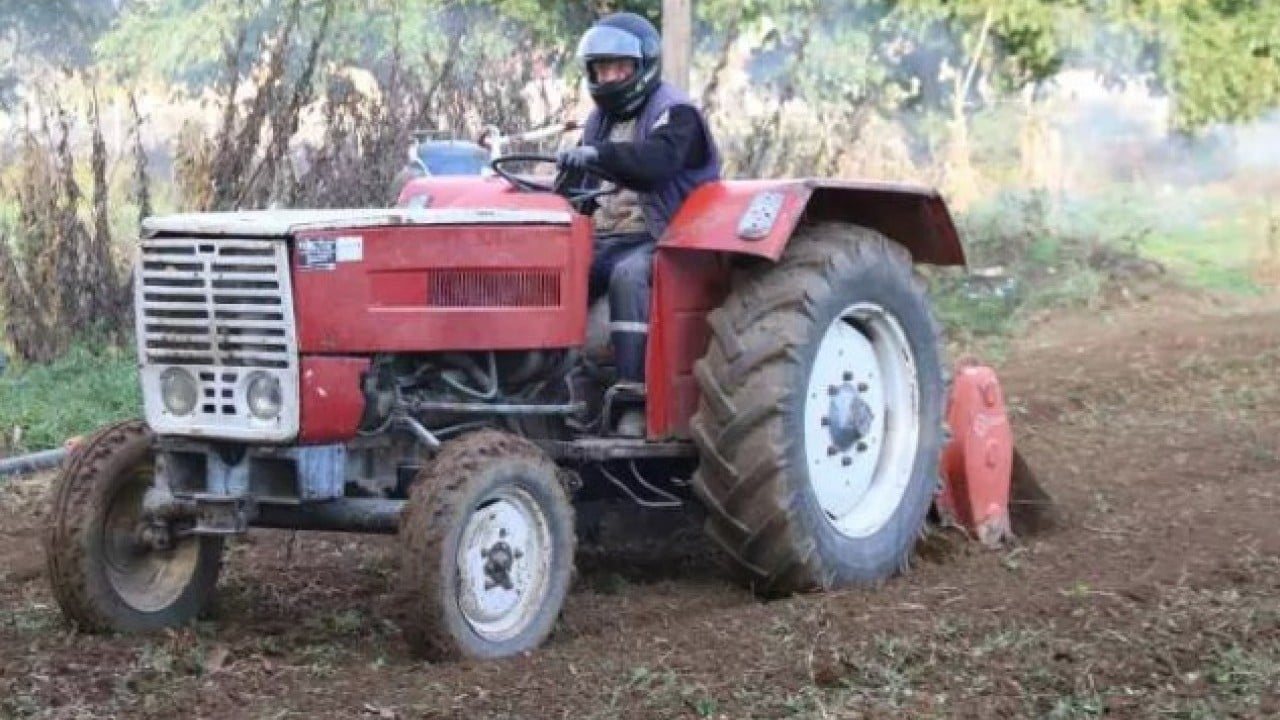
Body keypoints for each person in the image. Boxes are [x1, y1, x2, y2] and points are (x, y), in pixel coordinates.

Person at [557, 12, 721, 436]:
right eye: (601, 69)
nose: (610, 77)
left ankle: (633, 397)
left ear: (642, 67)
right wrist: (568, 172)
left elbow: (655, 163)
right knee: (559, 273)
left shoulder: (677, 113)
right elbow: (577, 187)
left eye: (619, 67)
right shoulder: (599, 122)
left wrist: (599, 156)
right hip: (610, 237)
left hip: (664, 235)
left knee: (629, 276)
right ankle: (554, 390)